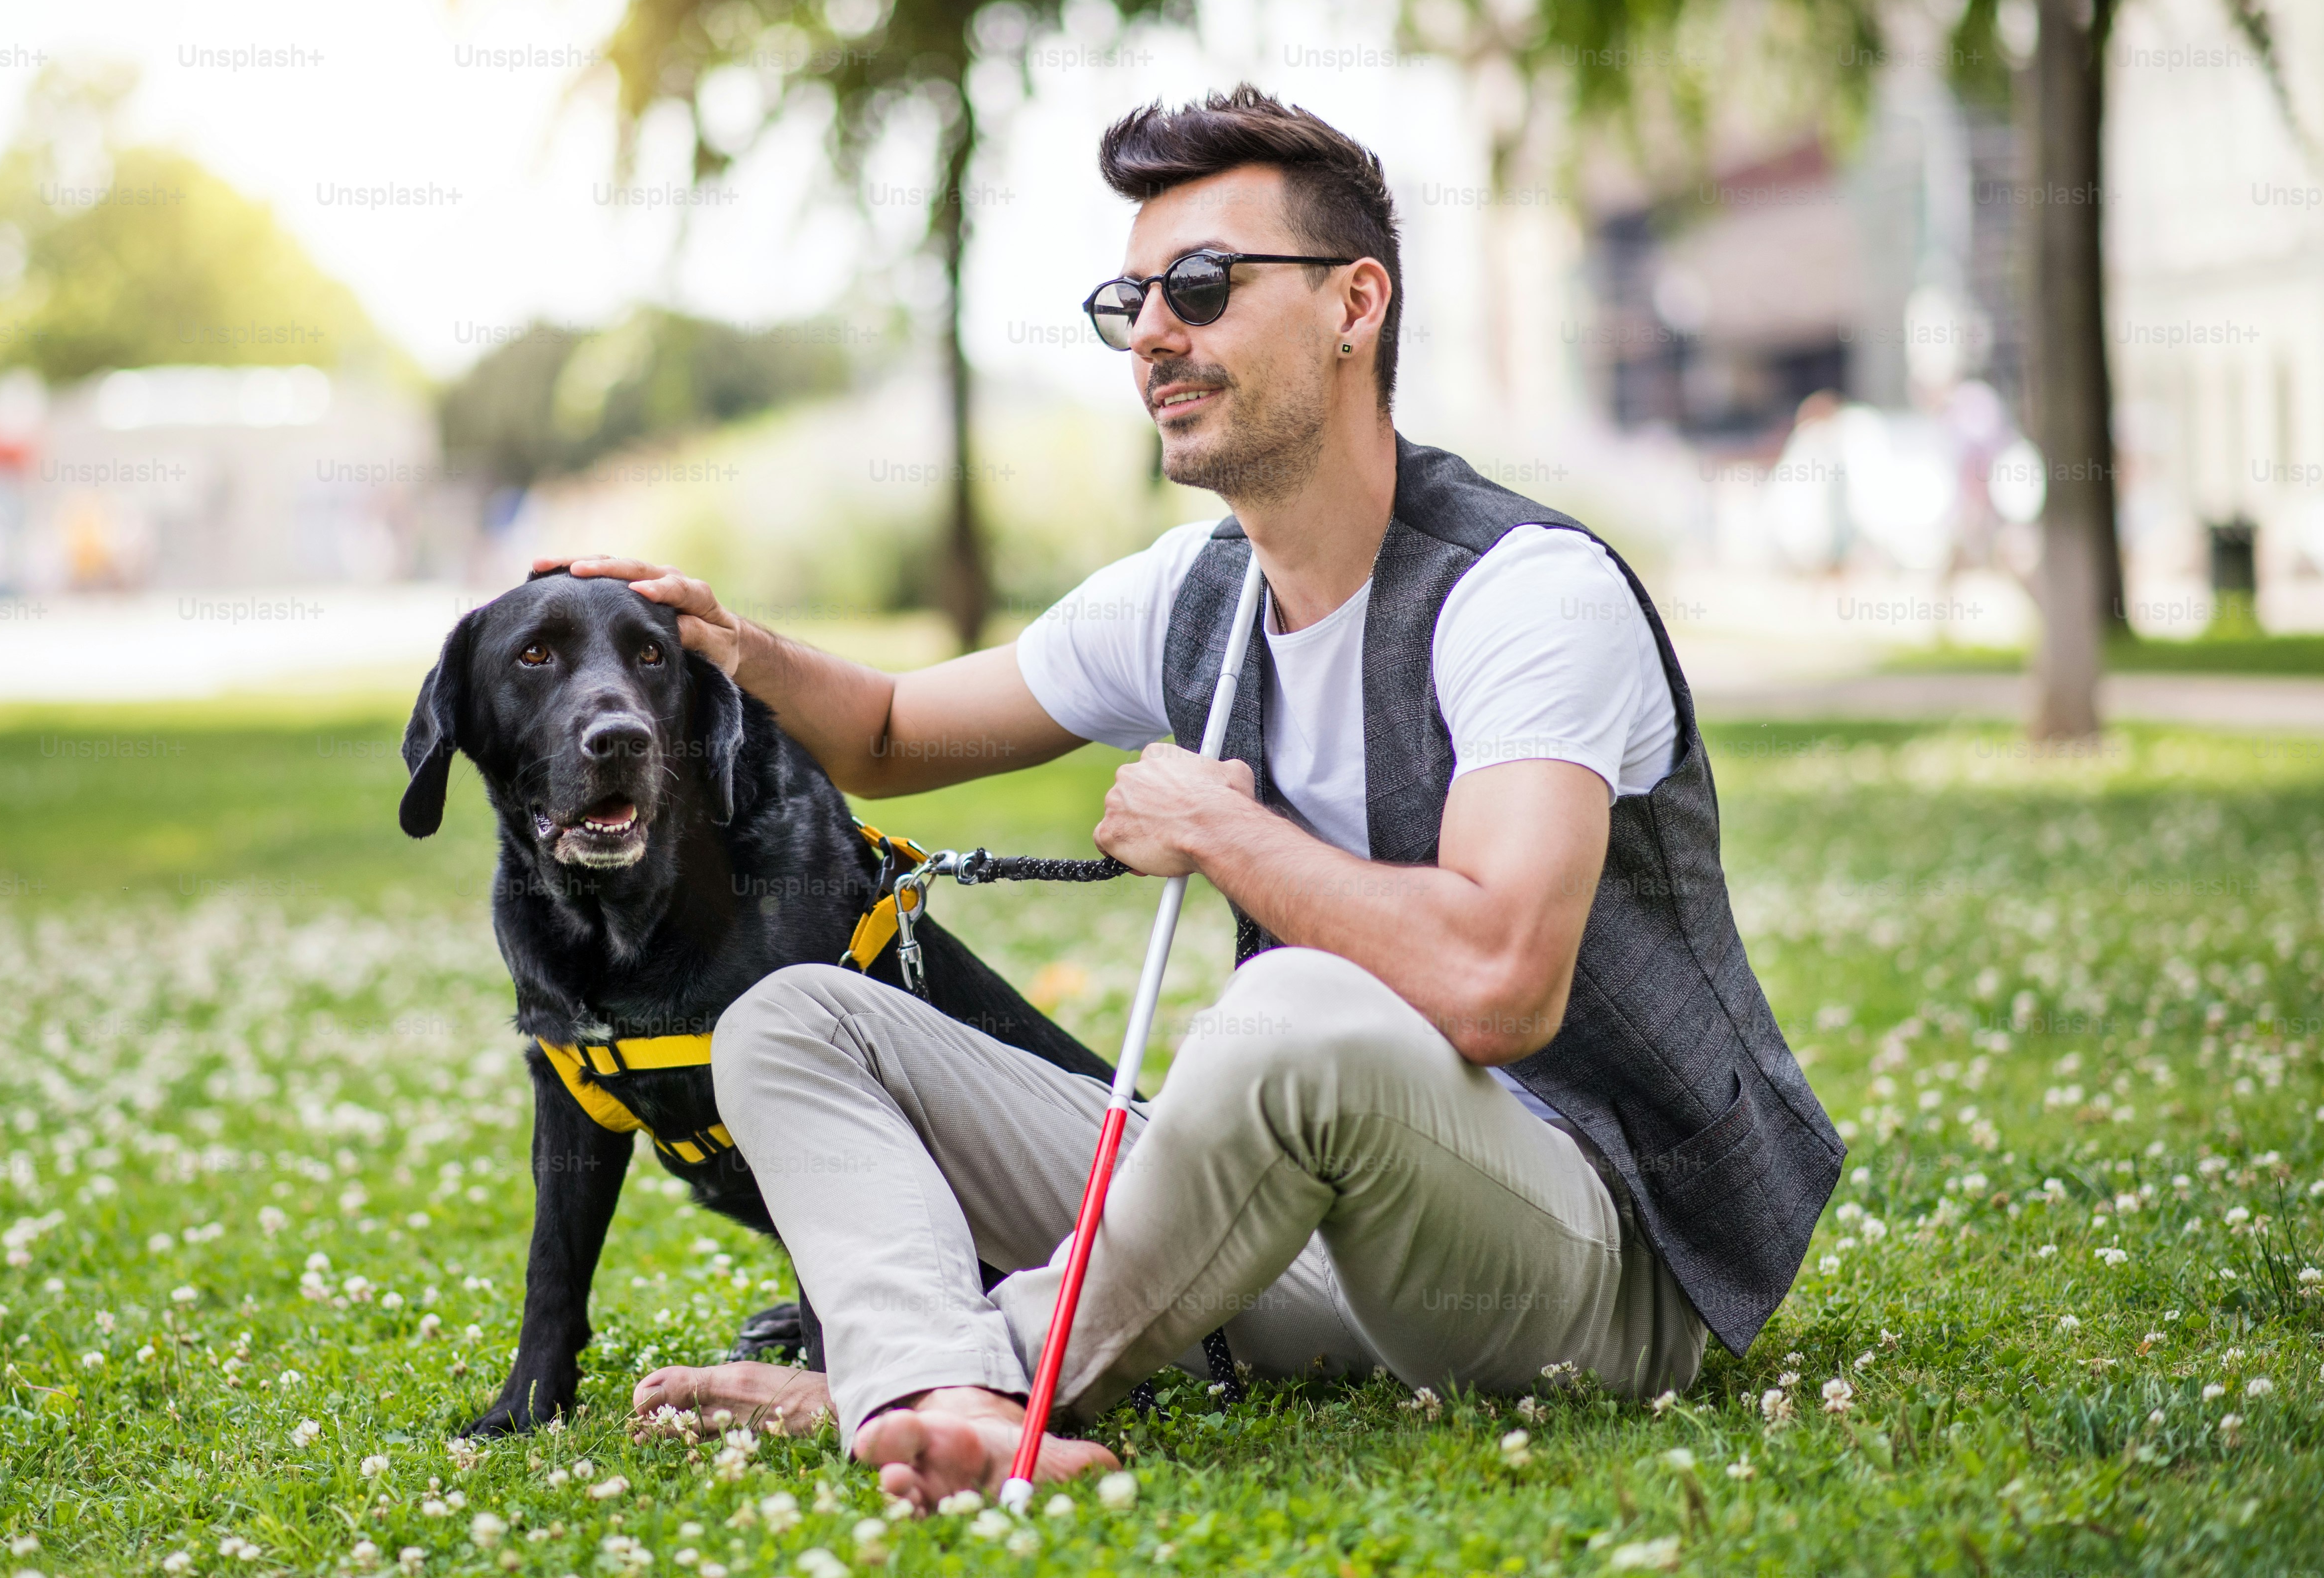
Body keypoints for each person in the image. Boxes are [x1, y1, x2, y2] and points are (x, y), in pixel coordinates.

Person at [556, 86, 1841, 1510]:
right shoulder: (1197, 590)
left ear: (1357, 306)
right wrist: (743, 652)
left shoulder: (1525, 593)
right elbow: (896, 731)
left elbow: (1500, 985)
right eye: (1133, 301)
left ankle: (971, 1371)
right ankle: (929, 1392)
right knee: (791, 1022)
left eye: (1206, 287)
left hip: (1588, 1268)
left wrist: (1225, 832)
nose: (1156, 332)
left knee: (1288, 1012)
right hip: (1308, 1233)